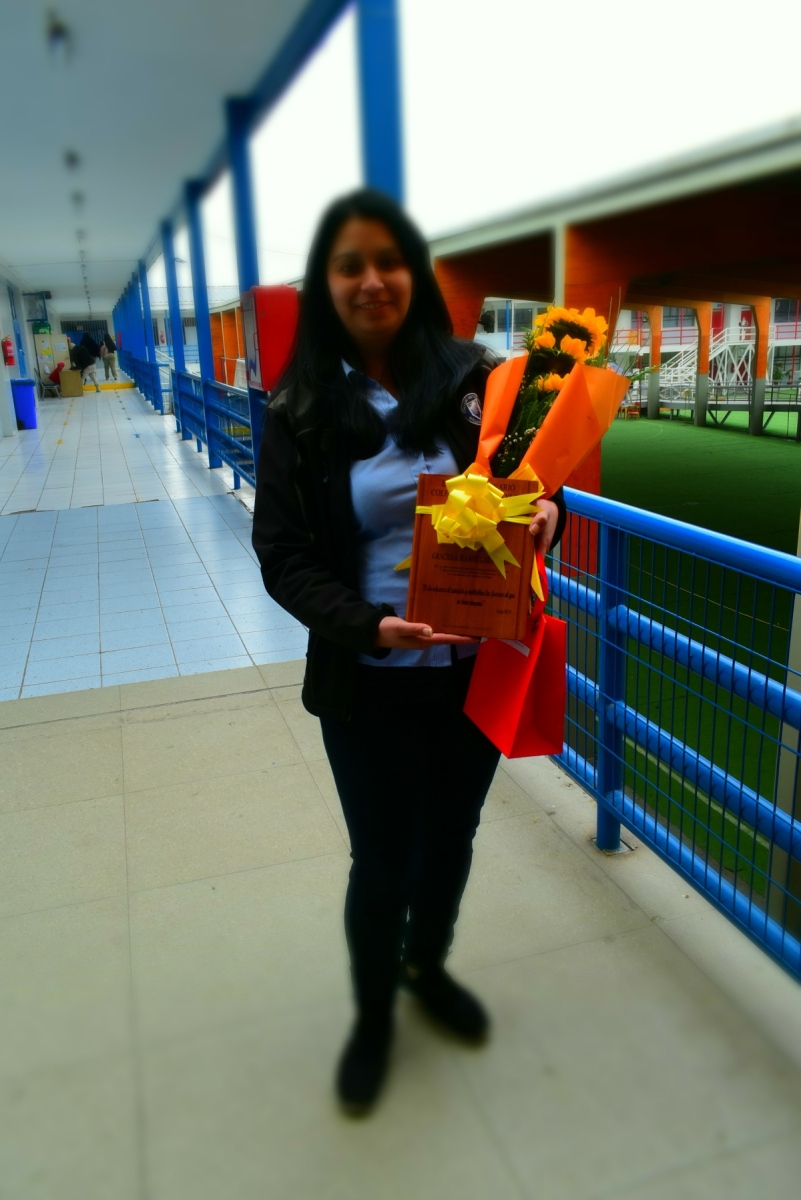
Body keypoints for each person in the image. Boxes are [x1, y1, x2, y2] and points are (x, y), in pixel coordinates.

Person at [251, 189, 566, 1116]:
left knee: (452, 837)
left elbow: (533, 483)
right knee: (382, 859)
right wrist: (368, 626)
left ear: (415, 274)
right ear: (325, 285)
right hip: (368, 679)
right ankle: (373, 1018)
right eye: (348, 265)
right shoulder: (301, 408)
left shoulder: (480, 379)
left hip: (475, 670)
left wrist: (547, 514)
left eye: (388, 260)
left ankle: (425, 967)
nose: (371, 280)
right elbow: (283, 555)